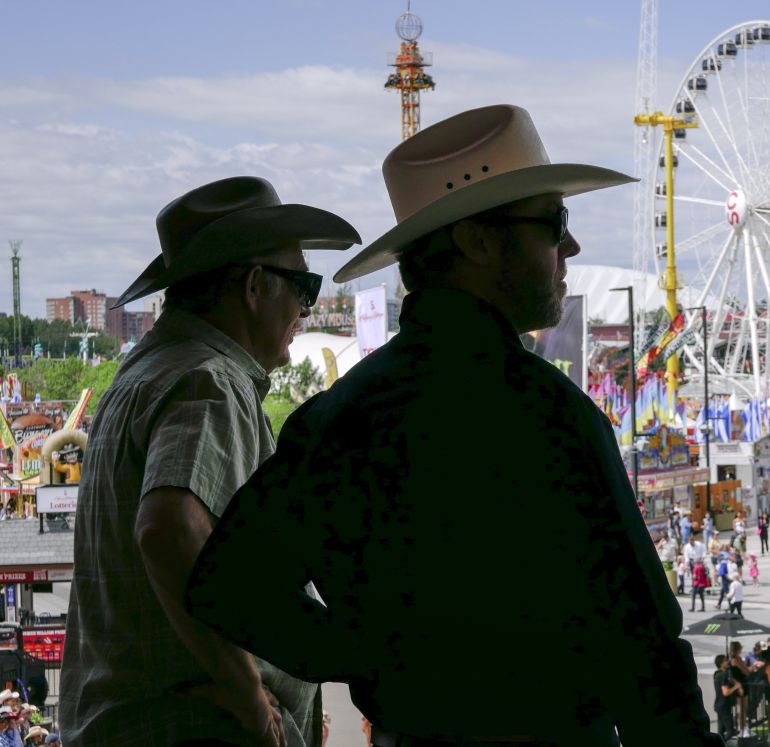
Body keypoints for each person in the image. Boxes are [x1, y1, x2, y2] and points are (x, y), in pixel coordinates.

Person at [185, 105, 723, 746]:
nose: (571, 247)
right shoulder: (549, 416)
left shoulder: (339, 418)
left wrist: (365, 654)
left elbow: (227, 587)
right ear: (477, 243)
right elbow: (647, 654)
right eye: (554, 224)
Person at [59, 176, 361, 747]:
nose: (306, 308)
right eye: (303, 285)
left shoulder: (142, 373)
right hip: (195, 729)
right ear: (254, 286)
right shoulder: (209, 381)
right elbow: (167, 528)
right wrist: (248, 694)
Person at [712, 654, 741, 742]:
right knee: (730, 731)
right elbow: (726, 692)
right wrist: (736, 687)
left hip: (719, 705)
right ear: (721, 664)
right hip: (724, 706)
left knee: (721, 731)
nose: (728, 662)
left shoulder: (717, 674)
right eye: (725, 661)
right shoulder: (723, 675)